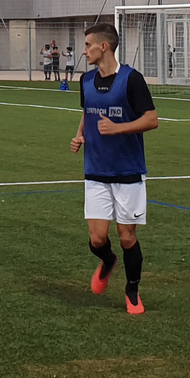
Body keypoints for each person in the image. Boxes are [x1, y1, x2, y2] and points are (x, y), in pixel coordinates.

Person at [70, 20, 158, 315]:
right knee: (97, 239)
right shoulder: (85, 81)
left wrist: (118, 128)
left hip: (128, 173)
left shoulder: (132, 80)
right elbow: (88, 110)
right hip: (95, 170)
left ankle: (132, 290)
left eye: (87, 45)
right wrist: (80, 134)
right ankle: (107, 261)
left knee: (127, 236)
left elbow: (151, 120)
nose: (84, 51)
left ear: (103, 47)